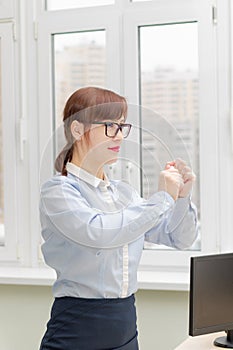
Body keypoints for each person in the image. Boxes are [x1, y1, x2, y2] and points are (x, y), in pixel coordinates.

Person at [39, 86, 198, 350]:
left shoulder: (124, 193)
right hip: (78, 328)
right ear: (78, 130)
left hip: (125, 326)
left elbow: (179, 238)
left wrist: (181, 198)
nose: (120, 136)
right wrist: (162, 199)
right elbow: (100, 234)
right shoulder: (58, 191)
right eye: (111, 126)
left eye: (123, 127)